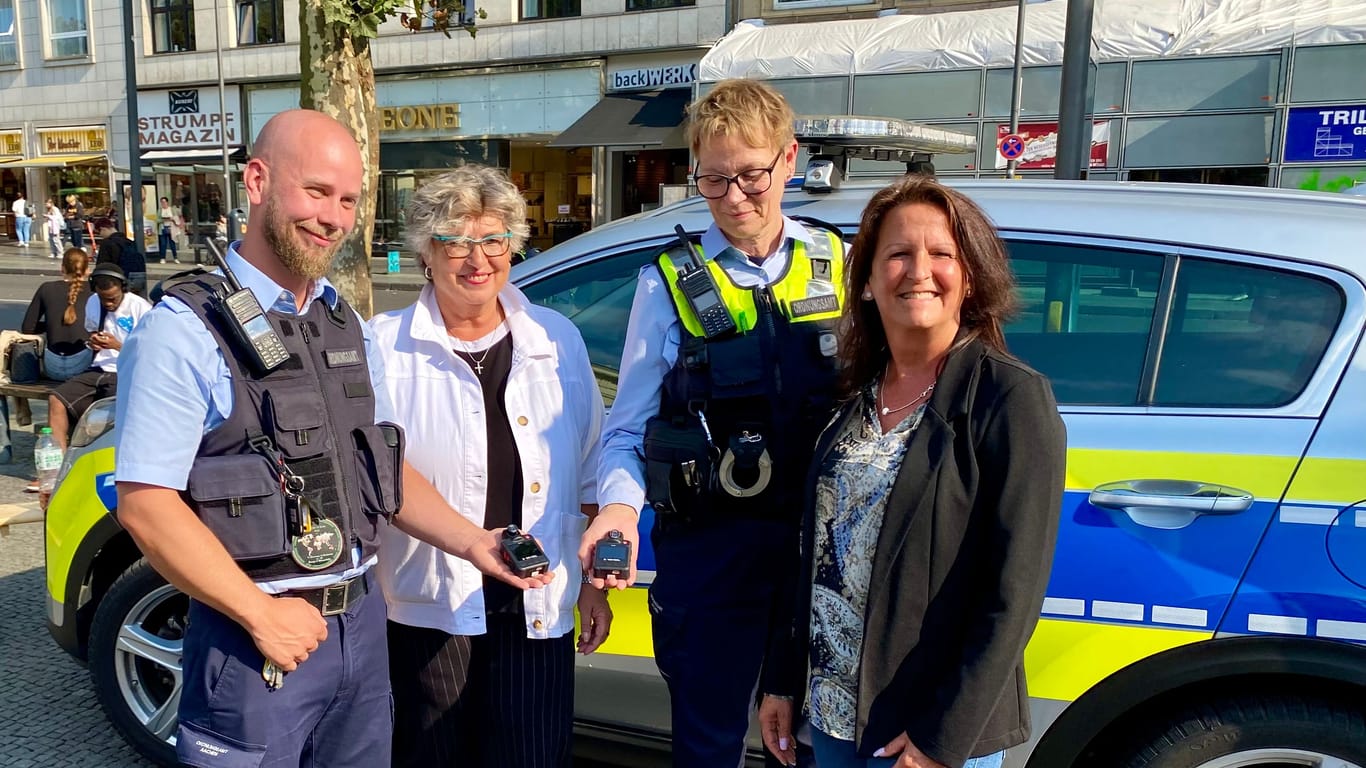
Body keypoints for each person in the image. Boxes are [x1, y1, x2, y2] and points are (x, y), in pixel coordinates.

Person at [112, 109, 551, 768]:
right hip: (255, 643)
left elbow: (381, 469)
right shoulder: (181, 329)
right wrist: (259, 613)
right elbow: (146, 503)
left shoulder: (343, 323)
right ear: (257, 181)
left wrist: (475, 540)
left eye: (347, 200)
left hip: (363, 636)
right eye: (315, 191)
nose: (333, 217)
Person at [757, 176, 1067, 768]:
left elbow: (1013, 596)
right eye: (897, 254)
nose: (918, 269)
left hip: (922, 731)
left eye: (941, 253)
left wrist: (941, 741)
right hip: (833, 717)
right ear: (868, 282)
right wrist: (781, 679)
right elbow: (809, 556)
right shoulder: (850, 395)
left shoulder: (1010, 397)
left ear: (969, 277)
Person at [586, 78, 848, 768]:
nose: (735, 197)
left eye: (753, 175)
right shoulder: (666, 281)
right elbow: (628, 429)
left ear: (789, 160)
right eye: (714, 179)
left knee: (817, 748)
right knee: (709, 750)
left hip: (821, 556)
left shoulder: (840, 262)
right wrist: (617, 510)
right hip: (713, 555)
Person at [371, 164, 611, 768]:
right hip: (427, 608)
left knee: (532, 756)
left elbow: (589, 467)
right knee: (430, 757)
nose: (477, 259)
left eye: (493, 240)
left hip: (535, 601)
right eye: (456, 241)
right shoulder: (383, 345)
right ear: (427, 251)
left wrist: (589, 589)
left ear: (513, 247)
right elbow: (373, 475)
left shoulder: (557, 339)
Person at [48, 263, 152, 449]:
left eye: (112, 299)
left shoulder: (140, 308)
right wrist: (94, 342)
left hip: (126, 371)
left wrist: (117, 346)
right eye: (103, 299)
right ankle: (58, 465)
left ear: (123, 288)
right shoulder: (93, 302)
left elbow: (149, 352)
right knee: (57, 399)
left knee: (107, 411)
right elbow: (91, 332)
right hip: (99, 368)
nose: (108, 304)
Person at [22, 246, 94, 381]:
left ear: (62, 268)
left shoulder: (46, 288)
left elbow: (27, 328)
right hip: (83, 365)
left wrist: (50, 326)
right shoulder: (94, 292)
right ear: (87, 270)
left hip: (52, 366)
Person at [93, 218, 147, 297]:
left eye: (99, 233)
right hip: (135, 279)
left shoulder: (107, 243)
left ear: (102, 229)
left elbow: (102, 266)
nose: (101, 236)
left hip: (118, 282)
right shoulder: (129, 242)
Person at [157, 196, 182, 263]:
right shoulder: (160, 210)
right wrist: (163, 220)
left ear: (167, 202)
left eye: (164, 202)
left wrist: (172, 219)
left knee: (172, 244)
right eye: (162, 202)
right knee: (163, 244)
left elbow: (177, 217)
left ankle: (175, 257)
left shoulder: (172, 209)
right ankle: (163, 258)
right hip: (163, 228)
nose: (163, 203)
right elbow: (157, 220)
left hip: (171, 228)